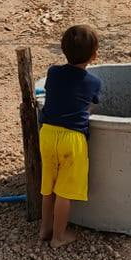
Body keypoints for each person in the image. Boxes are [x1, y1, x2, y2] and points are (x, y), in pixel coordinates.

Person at [39, 25, 101, 247]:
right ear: (94, 55)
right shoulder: (94, 82)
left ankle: (45, 229)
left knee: (48, 187)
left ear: (63, 50)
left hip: (47, 134)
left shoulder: (53, 73)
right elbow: (92, 104)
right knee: (64, 192)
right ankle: (58, 237)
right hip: (72, 139)